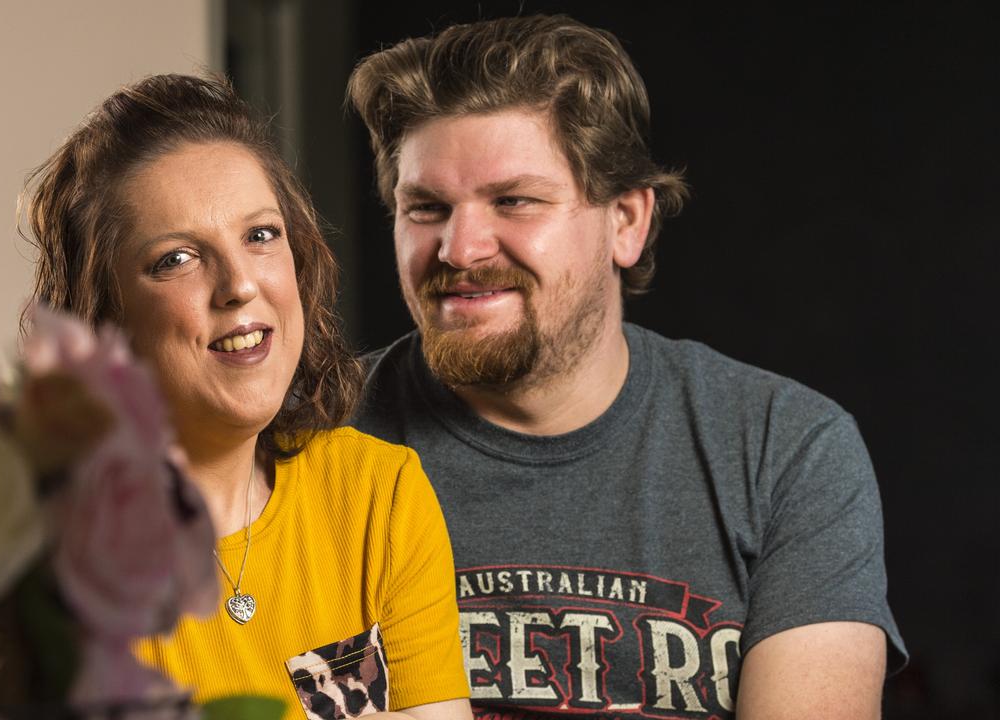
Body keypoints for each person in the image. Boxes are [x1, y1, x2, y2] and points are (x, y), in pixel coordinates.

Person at [347, 14, 906, 720]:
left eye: (513, 201)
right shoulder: (316, 441)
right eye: (425, 207)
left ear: (627, 222)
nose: (459, 249)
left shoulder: (784, 449)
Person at [22, 74, 470, 720]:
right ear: (105, 318)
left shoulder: (378, 496)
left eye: (260, 235)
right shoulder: (49, 566)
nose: (238, 285)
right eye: (177, 259)